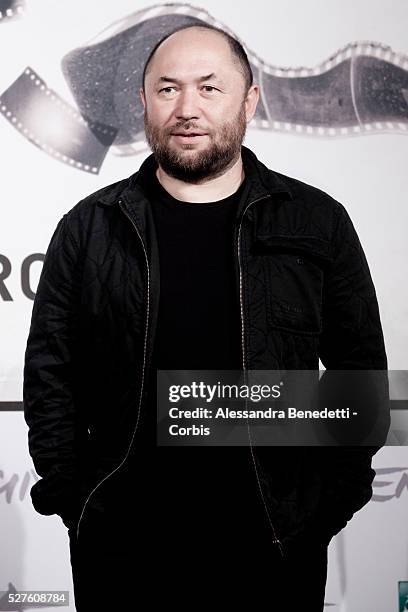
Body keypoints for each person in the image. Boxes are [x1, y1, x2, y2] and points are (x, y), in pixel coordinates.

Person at [23, 24, 389, 611]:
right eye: (167, 89)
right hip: (122, 548)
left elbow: (359, 372)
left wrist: (327, 504)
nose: (187, 108)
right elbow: (50, 373)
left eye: (209, 88)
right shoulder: (90, 227)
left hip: (275, 546)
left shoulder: (318, 222)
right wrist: (76, 496)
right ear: (143, 103)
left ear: (249, 101)